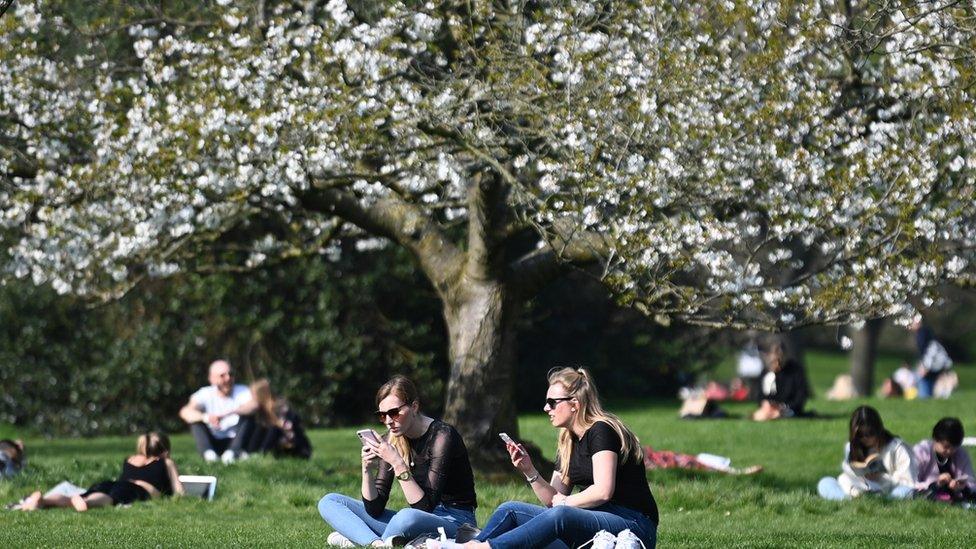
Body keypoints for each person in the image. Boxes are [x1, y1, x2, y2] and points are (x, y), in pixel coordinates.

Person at [436, 367, 658, 549]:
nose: (546, 408)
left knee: (561, 514)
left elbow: (602, 491)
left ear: (575, 404)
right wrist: (529, 471)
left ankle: (484, 548)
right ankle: (473, 545)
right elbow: (553, 501)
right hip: (596, 524)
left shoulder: (601, 431)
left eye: (552, 402)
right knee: (509, 509)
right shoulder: (568, 439)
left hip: (633, 525)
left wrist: (566, 503)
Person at [318, 375, 477, 547]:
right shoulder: (393, 439)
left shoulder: (443, 436)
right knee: (330, 501)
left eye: (394, 413)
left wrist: (398, 464)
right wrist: (366, 470)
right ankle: (377, 543)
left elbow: (425, 508)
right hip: (416, 519)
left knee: (405, 517)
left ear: (414, 407)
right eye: (382, 415)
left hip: (455, 521)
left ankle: (360, 537)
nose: (388, 421)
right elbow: (375, 509)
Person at [19, 432, 184, 511]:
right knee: (110, 499)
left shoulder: (130, 459)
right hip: (135, 489)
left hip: (112, 483)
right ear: (165, 450)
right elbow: (179, 491)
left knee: (79, 496)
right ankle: (88, 503)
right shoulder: (166, 462)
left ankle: (44, 500)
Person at [817, 406, 917, 500]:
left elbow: (908, 482)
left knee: (905, 492)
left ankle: (881, 501)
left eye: (870, 433)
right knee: (825, 482)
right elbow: (847, 474)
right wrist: (861, 474)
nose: (865, 438)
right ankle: (849, 500)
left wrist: (880, 478)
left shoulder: (897, 448)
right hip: (859, 488)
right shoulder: (851, 447)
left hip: (888, 489)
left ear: (879, 430)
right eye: (860, 434)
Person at [179, 359, 257, 463]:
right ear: (212, 379)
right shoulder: (205, 393)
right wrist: (206, 417)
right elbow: (185, 411)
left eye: (230, 374)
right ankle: (209, 455)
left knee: (248, 418)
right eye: (222, 376)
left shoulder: (242, 391)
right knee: (195, 422)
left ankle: (233, 452)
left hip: (235, 439)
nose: (228, 378)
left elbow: (253, 406)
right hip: (214, 439)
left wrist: (228, 413)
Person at [913, 417, 976, 504]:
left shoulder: (961, 453)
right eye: (946, 447)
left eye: (954, 447)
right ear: (935, 439)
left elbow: (971, 481)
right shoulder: (922, 451)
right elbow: (910, 482)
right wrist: (936, 483)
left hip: (954, 494)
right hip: (927, 491)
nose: (950, 451)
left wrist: (962, 486)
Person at [248, 378, 312, 459]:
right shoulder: (262, 409)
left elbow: (289, 426)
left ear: (261, 395)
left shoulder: (280, 407)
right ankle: (252, 453)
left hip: (298, 449)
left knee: (274, 428)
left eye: (254, 395)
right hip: (280, 447)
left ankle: (261, 453)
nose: (252, 398)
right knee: (260, 427)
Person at [751, 340, 810, 421]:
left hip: (789, 408)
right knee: (760, 415)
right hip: (771, 408)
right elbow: (760, 396)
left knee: (778, 414)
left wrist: (783, 406)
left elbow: (800, 397)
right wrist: (766, 403)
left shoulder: (795, 370)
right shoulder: (766, 373)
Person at [909, 318, 953, 399]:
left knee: (924, 388)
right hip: (935, 367)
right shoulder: (925, 333)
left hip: (934, 367)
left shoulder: (923, 334)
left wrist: (925, 367)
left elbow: (930, 352)